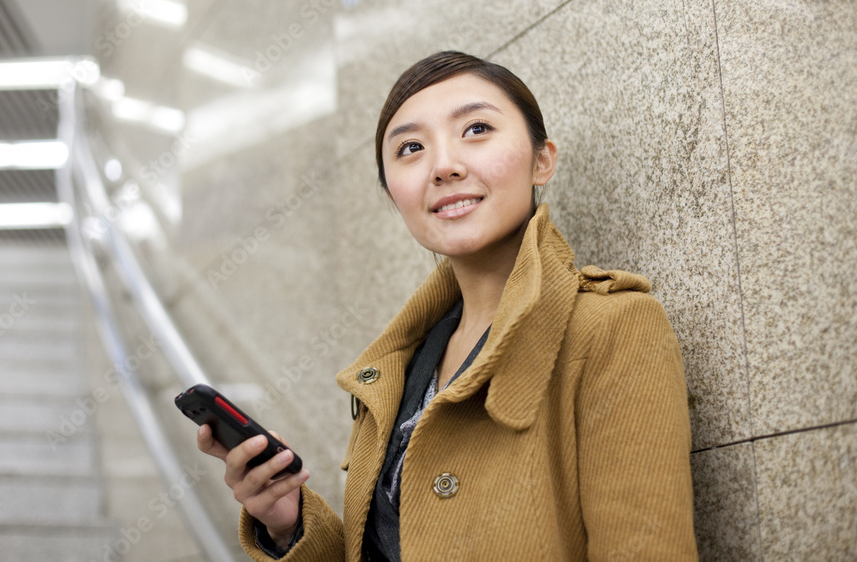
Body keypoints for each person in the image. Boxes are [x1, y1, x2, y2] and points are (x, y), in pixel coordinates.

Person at [198, 51, 698, 560]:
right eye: (411, 147)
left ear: (542, 159)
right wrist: (287, 525)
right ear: (395, 194)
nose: (443, 166)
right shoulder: (393, 374)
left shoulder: (612, 328)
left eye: (477, 129)